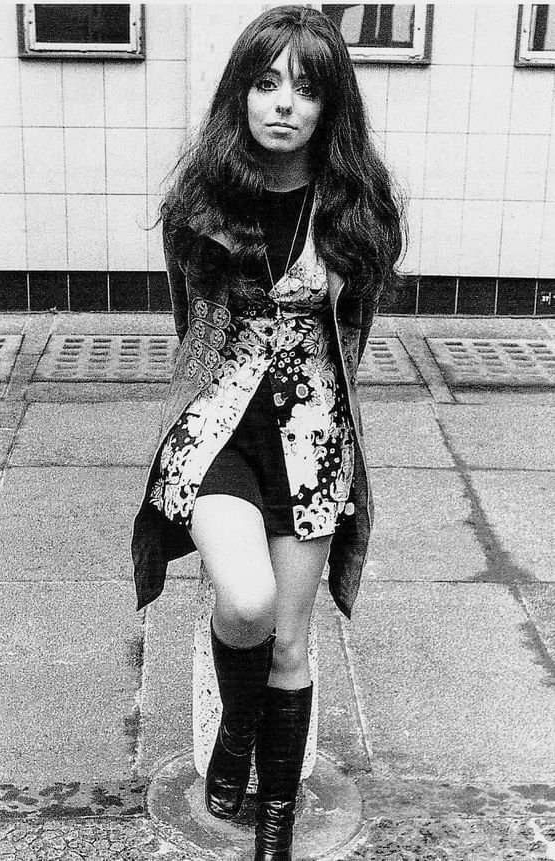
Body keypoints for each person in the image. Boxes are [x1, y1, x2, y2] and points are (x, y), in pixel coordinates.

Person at [132, 5, 403, 859]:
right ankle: (233, 745)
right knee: (242, 600)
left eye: (306, 88)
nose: (283, 102)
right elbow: (190, 325)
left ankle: (274, 819)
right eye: (265, 81)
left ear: (331, 108)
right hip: (219, 432)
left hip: (314, 445)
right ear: (241, 93)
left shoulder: (354, 212)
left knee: (290, 637)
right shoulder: (204, 199)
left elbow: (351, 341)